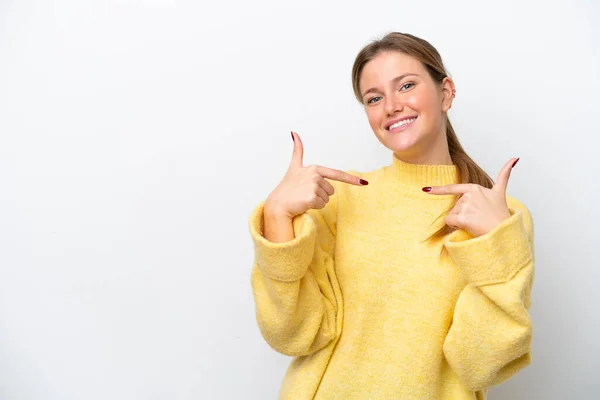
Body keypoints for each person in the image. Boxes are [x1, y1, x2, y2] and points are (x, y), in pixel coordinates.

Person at [247, 32, 534, 400]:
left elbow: (479, 364)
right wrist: (276, 217)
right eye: (374, 98)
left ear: (445, 92)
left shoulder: (502, 216)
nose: (391, 106)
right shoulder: (340, 200)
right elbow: (293, 335)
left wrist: (495, 249)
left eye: (407, 85)